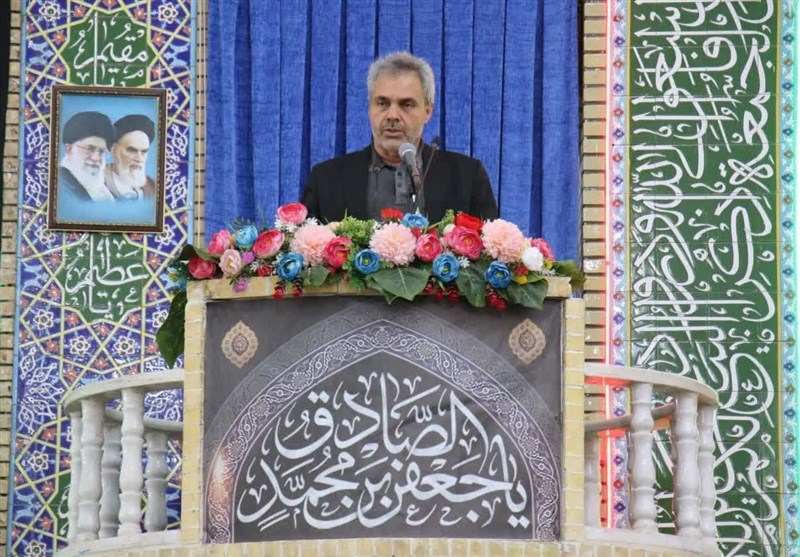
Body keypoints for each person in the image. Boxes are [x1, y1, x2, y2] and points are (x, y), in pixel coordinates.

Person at [301, 52, 498, 223]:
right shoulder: (326, 179)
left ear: (428, 111)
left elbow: (491, 250)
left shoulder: (466, 176)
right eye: (383, 103)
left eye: (406, 104)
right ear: (369, 108)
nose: (392, 115)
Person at [58, 111, 117, 202]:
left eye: (101, 151)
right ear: (69, 149)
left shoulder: (107, 193)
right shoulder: (60, 186)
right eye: (89, 149)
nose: (96, 158)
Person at [105, 114, 156, 200]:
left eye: (144, 152)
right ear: (114, 150)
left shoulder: (152, 187)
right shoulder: (95, 183)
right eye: (132, 150)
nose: (139, 159)